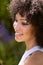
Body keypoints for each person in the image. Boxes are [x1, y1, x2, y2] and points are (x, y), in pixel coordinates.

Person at [8, 0, 43, 65]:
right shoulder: (32, 53)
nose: (16, 27)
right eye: (16, 20)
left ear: (38, 26)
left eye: (24, 23)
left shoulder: (36, 58)